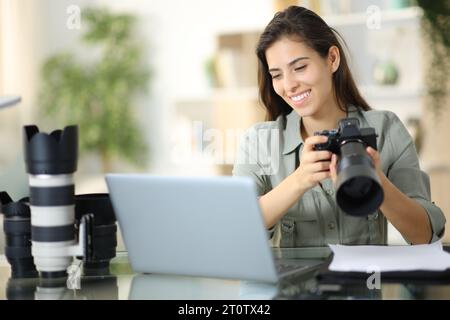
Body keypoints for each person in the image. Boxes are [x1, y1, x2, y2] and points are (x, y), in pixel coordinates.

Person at [232, 6, 445, 247]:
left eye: (300, 67)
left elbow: (424, 236)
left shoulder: (386, 129)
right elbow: (237, 229)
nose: (289, 85)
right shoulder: (258, 142)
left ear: (332, 59)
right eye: (277, 75)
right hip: (293, 286)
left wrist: (378, 182)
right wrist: (300, 180)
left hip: (364, 283)